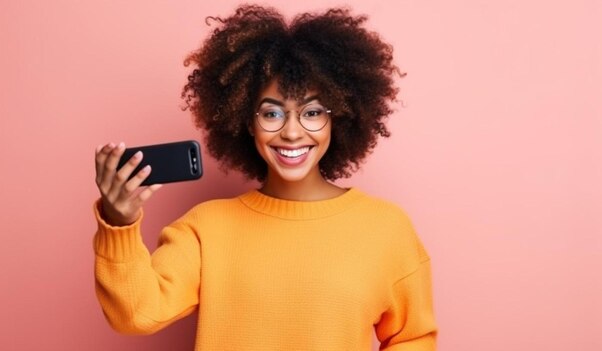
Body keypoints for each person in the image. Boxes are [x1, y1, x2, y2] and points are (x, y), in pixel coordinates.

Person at [93, 4, 438, 350]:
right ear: (246, 120)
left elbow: (413, 337)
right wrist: (119, 221)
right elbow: (135, 313)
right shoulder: (205, 229)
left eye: (313, 112)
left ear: (339, 117)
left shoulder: (386, 228)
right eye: (272, 112)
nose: (291, 132)